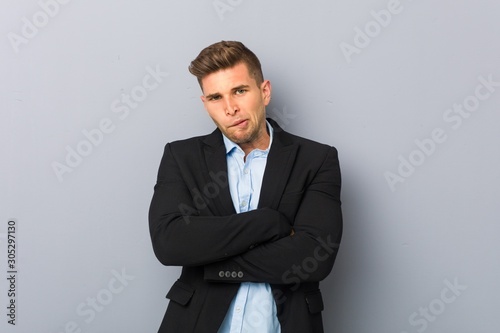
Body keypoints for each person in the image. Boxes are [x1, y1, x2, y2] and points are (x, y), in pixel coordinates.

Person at [149, 40, 343, 333]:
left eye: (239, 91)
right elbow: (169, 243)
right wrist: (270, 223)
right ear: (205, 104)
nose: (230, 108)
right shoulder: (181, 157)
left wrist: (209, 260)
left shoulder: (316, 159)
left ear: (264, 92)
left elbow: (314, 258)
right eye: (216, 97)